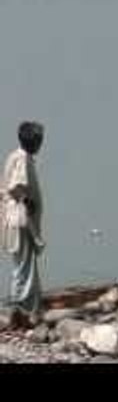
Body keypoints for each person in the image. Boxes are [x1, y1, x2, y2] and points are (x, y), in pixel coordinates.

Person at [2, 121, 45, 327]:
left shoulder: (14, 155)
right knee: (24, 268)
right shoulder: (23, 158)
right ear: (32, 141)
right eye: (39, 140)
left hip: (14, 219)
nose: (40, 144)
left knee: (23, 266)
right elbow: (14, 187)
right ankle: (21, 311)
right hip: (21, 219)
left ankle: (24, 310)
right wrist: (28, 202)